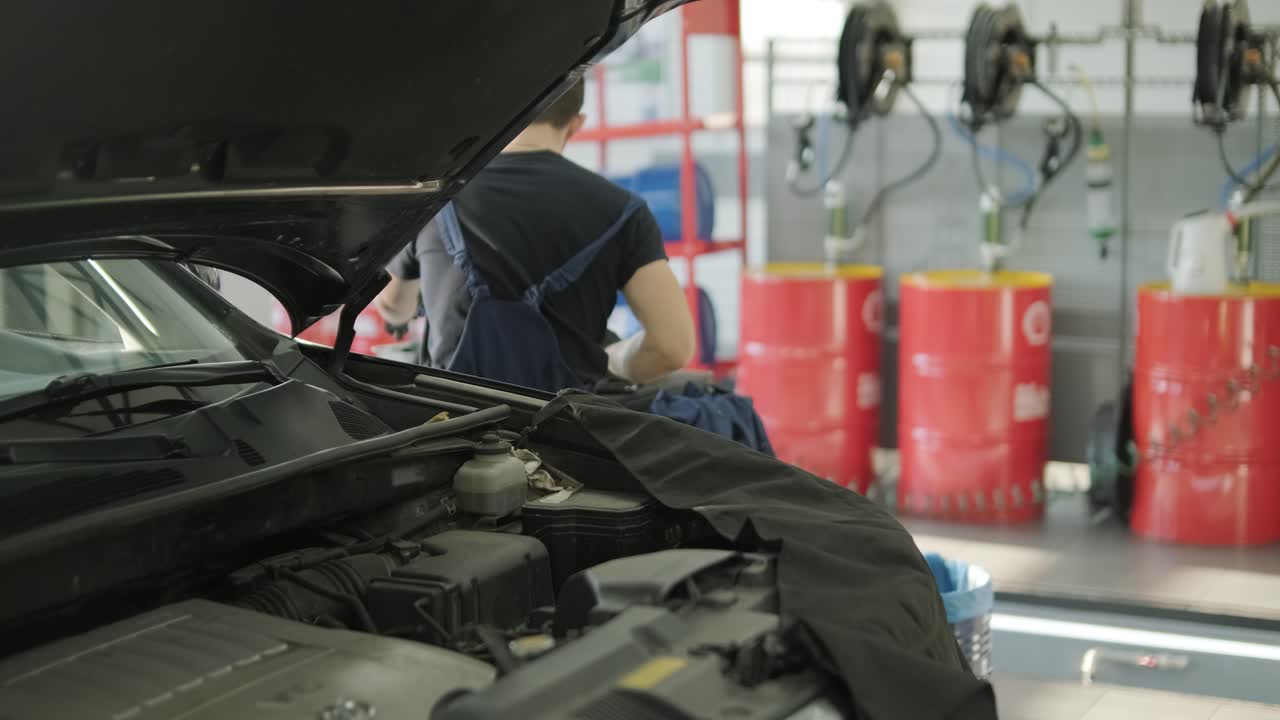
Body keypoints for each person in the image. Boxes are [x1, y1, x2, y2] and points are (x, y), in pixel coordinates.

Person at [376, 78, 694, 391]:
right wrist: (613, 362)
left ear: (499, 114)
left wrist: (409, 308)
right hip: (563, 418)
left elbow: (393, 306)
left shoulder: (432, 200)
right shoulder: (624, 211)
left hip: (450, 414)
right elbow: (671, 348)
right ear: (576, 124)